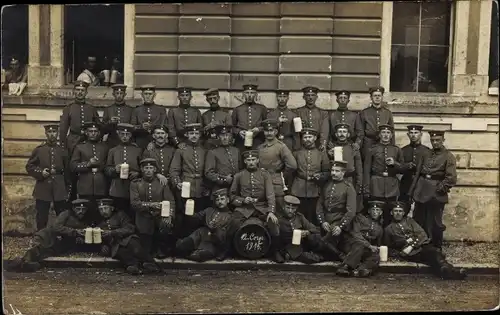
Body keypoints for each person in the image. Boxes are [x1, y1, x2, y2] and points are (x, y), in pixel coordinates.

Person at [384, 201, 466, 280]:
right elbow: (388, 247)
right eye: (395, 211)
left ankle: (447, 272)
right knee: (434, 255)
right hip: (411, 255)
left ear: (403, 213)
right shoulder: (388, 229)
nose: (398, 213)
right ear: (391, 213)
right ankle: (451, 272)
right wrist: (400, 254)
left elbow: (422, 235)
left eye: (400, 211)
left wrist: (411, 246)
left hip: (421, 246)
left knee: (433, 254)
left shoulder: (409, 221)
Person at [6, 199, 93, 272]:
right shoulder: (66, 214)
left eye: (83, 209)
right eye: (78, 209)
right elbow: (56, 227)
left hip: (66, 243)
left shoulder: (87, 218)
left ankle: (23, 264)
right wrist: (74, 232)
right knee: (40, 248)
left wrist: (80, 237)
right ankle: (22, 262)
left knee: (47, 251)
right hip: (53, 237)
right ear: (73, 208)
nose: (81, 211)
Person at [227, 150, 281, 262]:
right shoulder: (239, 176)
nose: (251, 162)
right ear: (245, 161)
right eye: (248, 160)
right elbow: (232, 196)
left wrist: (271, 211)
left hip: (262, 207)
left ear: (257, 160)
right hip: (244, 208)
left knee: (273, 223)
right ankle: (226, 250)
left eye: (253, 160)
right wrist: (242, 200)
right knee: (232, 222)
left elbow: (270, 195)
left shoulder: (265, 175)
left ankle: (276, 251)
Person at [409, 130, 457, 250]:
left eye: (438, 140)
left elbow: (451, 178)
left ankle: (436, 247)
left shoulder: (448, 156)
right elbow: (418, 173)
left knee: (435, 222)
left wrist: (439, 189)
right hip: (421, 190)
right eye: (433, 140)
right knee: (419, 218)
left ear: (443, 140)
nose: (435, 143)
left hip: (436, 193)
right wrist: (413, 191)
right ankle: (420, 245)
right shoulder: (425, 153)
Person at [95, 198, 161, 275]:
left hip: (128, 238)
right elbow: (100, 238)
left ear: (112, 208)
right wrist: (103, 246)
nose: (103, 211)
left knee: (136, 249)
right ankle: (134, 266)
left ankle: (151, 264)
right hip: (115, 244)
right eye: (101, 209)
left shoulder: (121, 215)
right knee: (122, 253)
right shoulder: (99, 223)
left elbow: (130, 228)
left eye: (105, 208)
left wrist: (113, 232)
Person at [25, 124, 71, 231]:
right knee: (41, 215)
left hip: (59, 187)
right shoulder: (39, 150)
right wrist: (41, 172)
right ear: (46, 134)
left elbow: (68, 170)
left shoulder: (63, 151)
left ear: (57, 134)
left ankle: (61, 237)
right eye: (49, 132)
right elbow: (29, 166)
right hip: (43, 186)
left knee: (62, 215)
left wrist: (68, 187)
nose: (52, 135)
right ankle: (41, 238)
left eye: (54, 132)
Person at [130, 158, 176, 259]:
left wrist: (169, 215)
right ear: (142, 169)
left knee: (165, 225)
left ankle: (161, 248)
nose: (148, 170)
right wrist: (151, 205)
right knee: (145, 249)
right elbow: (134, 204)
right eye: (146, 168)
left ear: (155, 170)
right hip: (143, 216)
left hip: (159, 215)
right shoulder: (135, 183)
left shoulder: (161, 183)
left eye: (151, 168)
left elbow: (171, 201)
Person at [169, 123, 210, 235]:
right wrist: (177, 182)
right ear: (187, 134)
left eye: (196, 133)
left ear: (200, 135)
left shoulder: (204, 150)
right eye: (191, 133)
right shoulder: (181, 150)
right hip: (186, 187)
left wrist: (207, 186)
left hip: (201, 187)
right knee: (186, 215)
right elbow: (174, 170)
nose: (194, 136)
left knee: (200, 214)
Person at [175, 188, 233, 262]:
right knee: (181, 246)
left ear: (227, 200)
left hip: (212, 242)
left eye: (222, 199)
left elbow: (224, 238)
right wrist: (188, 211)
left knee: (200, 256)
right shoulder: (209, 210)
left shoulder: (230, 216)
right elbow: (196, 217)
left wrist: (215, 230)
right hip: (199, 234)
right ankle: (186, 248)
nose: (220, 202)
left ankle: (193, 253)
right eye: (217, 200)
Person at [363, 124, 404, 227]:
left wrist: (395, 163)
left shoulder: (396, 150)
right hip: (376, 184)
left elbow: (403, 169)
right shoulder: (372, 149)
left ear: (391, 135)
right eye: (383, 133)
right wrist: (366, 188)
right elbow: (366, 170)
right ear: (379, 135)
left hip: (391, 186)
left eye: (388, 133)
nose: (386, 135)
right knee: (375, 214)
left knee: (389, 214)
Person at [316, 160, 357, 260]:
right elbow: (319, 205)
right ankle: (336, 255)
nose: (333, 173)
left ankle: (340, 256)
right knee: (315, 238)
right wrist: (322, 221)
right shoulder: (327, 185)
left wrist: (340, 226)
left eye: (337, 171)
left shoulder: (348, 187)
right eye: (332, 170)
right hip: (326, 219)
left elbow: (351, 211)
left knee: (322, 243)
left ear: (343, 173)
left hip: (338, 220)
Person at [70, 121, 109, 225]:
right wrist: (87, 164)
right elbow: (73, 166)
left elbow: (108, 165)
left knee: (100, 214)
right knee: (84, 213)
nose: (93, 133)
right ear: (86, 133)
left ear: (99, 133)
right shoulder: (80, 147)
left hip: (101, 186)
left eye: (95, 131)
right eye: (90, 131)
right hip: (85, 186)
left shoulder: (105, 147)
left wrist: (100, 166)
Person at [290, 128, 330, 224]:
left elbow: (327, 172)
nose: (307, 139)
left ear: (315, 138)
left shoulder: (321, 154)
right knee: (298, 217)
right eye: (305, 137)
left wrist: (320, 176)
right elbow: (291, 172)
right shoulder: (296, 154)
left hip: (315, 190)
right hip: (298, 189)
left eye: (310, 137)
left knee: (313, 218)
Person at [256, 119, 297, 212]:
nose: (269, 133)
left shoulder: (281, 146)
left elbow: (292, 165)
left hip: (275, 183)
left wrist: (281, 173)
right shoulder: (260, 147)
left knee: (278, 210)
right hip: (261, 182)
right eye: (266, 131)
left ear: (276, 131)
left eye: (271, 130)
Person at [105, 123, 143, 220]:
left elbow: (144, 167)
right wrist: (114, 170)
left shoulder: (138, 150)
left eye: (127, 134)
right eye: (122, 134)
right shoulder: (113, 151)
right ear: (118, 134)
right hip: (118, 188)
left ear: (131, 135)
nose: (125, 137)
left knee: (134, 213)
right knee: (119, 214)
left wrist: (138, 173)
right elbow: (107, 169)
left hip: (134, 187)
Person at [336, 201, 384, 277]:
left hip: (364, 248)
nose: (375, 212)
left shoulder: (379, 228)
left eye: (377, 210)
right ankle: (345, 267)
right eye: (373, 210)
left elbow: (377, 244)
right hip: (351, 245)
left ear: (381, 212)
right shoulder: (360, 218)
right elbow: (355, 234)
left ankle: (360, 270)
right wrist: (369, 245)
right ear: (369, 211)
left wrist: (374, 248)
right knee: (359, 245)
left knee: (375, 255)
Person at [274, 195, 326, 264]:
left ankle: (324, 254)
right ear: (283, 207)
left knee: (316, 238)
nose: (290, 211)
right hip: (288, 248)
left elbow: (315, 229)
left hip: (302, 245)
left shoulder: (299, 217)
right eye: (288, 207)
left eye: (293, 208)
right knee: (309, 258)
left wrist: (306, 232)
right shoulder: (278, 219)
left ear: (296, 209)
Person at [59, 80, 101, 156]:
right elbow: (63, 129)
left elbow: (98, 126)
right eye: (78, 90)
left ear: (86, 93)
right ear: (74, 91)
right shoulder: (69, 108)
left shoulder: (91, 109)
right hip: (72, 142)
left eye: (82, 90)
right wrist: (63, 145)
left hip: (88, 141)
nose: (80, 92)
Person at [356, 86, 394, 161]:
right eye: (375, 96)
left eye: (379, 96)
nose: (377, 98)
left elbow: (392, 131)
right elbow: (361, 132)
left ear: (382, 97)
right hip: (368, 144)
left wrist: (392, 147)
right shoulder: (364, 113)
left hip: (383, 143)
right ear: (371, 97)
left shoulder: (387, 113)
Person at [327, 123, 363, 195]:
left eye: (344, 132)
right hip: (334, 180)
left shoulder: (353, 148)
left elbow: (359, 168)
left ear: (348, 135)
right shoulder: (331, 147)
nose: (342, 134)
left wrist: (359, 184)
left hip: (349, 180)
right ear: (336, 134)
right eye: (340, 132)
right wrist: (329, 155)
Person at [399, 125, 431, 204]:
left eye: (416, 133)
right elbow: (398, 168)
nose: (413, 135)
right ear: (408, 135)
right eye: (411, 133)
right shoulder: (403, 150)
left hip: (421, 183)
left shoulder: (427, 151)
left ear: (421, 134)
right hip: (406, 183)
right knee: (404, 206)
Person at [204, 124, 241, 192]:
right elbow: (208, 173)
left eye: (227, 135)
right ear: (218, 137)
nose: (225, 138)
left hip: (236, 187)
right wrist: (224, 179)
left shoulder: (236, 150)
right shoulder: (212, 152)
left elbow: (241, 169)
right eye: (222, 135)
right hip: (220, 188)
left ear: (231, 137)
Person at [231, 84, 268, 152]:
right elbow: (232, 127)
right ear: (243, 94)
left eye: (252, 93)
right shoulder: (237, 109)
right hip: (241, 141)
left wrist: (259, 129)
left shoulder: (262, 109)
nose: (249, 95)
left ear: (256, 94)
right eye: (247, 93)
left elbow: (267, 125)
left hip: (258, 141)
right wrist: (239, 132)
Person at [131, 84, 167, 150]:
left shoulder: (161, 109)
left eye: (150, 94)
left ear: (154, 95)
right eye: (145, 94)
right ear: (142, 95)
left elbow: (164, 126)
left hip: (157, 142)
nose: (148, 96)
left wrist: (153, 127)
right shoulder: (136, 110)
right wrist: (141, 126)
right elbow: (132, 127)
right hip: (140, 141)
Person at [293, 86, 329, 151]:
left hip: (317, 145)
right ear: (304, 97)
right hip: (302, 145)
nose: (310, 97)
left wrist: (323, 144)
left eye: (313, 95)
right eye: (308, 95)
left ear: (316, 97)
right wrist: (297, 145)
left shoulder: (323, 113)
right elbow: (297, 132)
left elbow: (324, 131)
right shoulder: (298, 112)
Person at [102, 84, 134, 149]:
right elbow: (103, 129)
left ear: (125, 94)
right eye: (117, 93)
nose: (119, 95)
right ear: (113, 94)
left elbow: (133, 127)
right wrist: (110, 122)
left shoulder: (131, 110)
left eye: (121, 93)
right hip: (112, 142)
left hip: (127, 142)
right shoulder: (108, 109)